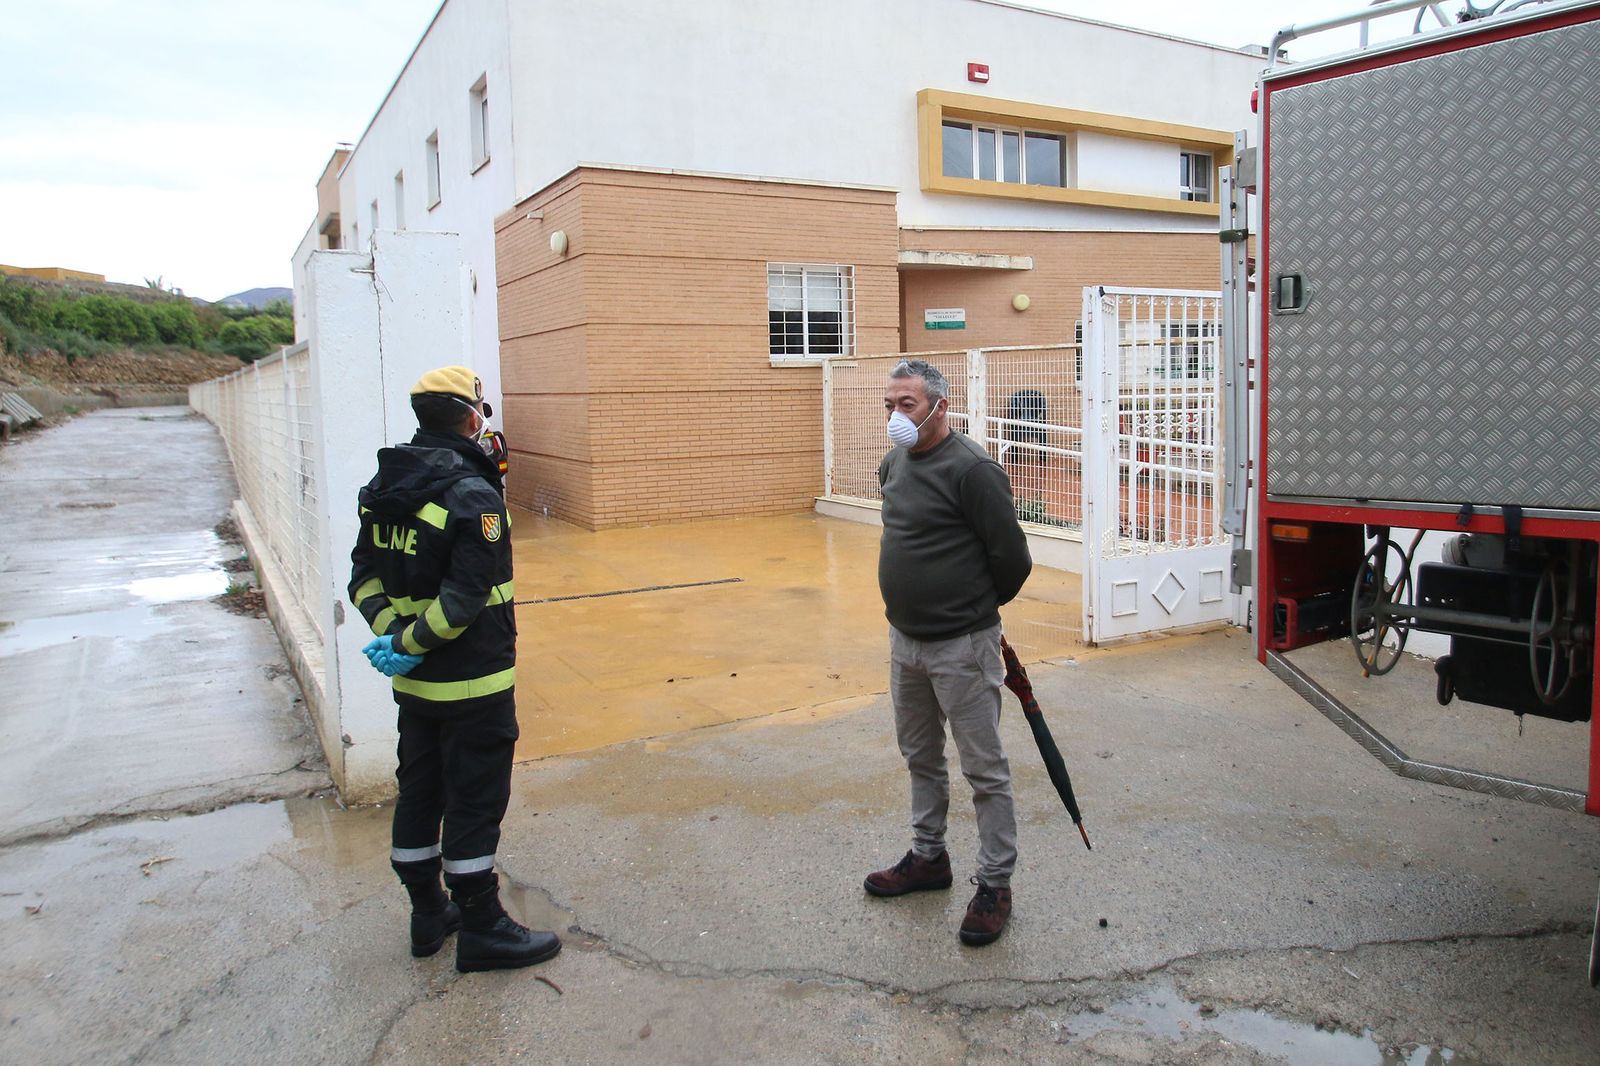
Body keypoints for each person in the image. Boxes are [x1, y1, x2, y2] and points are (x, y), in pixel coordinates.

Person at [348, 365, 559, 973]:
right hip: (475, 683)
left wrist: (394, 636)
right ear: (470, 417)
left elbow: (362, 577)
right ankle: (482, 925)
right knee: (473, 797)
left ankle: (426, 913)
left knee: (419, 789)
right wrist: (416, 639)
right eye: (481, 411)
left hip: (414, 687)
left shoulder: (385, 485)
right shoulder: (472, 495)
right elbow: (468, 598)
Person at [865, 359, 1032, 946]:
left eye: (905, 404)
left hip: (962, 646)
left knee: (983, 768)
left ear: (939, 405)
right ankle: (929, 858)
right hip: (905, 642)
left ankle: (995, 885)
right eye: (889, 405)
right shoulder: (894, 463)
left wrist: (970, 615)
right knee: (920, 756)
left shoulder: (973, 469)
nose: (894, 416)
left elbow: (1012, 561)